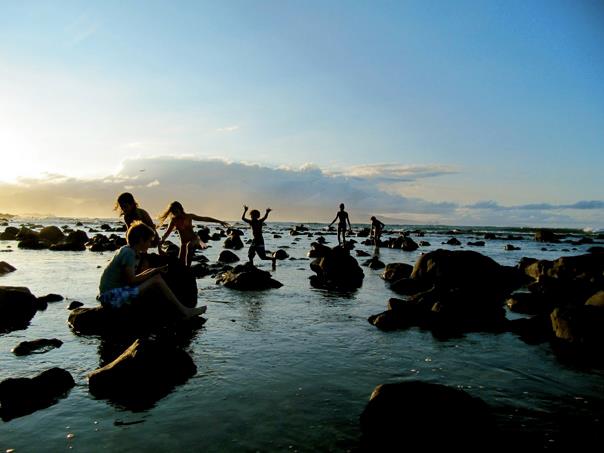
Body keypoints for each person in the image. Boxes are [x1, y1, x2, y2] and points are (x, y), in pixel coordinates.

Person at [97, 221, 206, 319]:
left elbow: (132, 279)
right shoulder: (129, 254)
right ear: (140, 240)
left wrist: (155, 270)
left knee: (155, 278)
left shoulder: (127, 250)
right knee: (156, 280)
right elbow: (132, 280)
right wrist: (153, 273)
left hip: (112, 294)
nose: (150, 245)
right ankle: (184, 311)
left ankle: (173, 309)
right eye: (149, 241)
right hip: (111, 297)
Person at [158, 201, 229, 267]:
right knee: (180, 264)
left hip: (194, 239)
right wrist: (162, 240)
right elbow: (167, 233)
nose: (175, 213)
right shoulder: (173, 220)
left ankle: (188, 268)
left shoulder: (189, 216)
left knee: (189, 246)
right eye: (173, 212)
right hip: (183, 243)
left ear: (180, 209)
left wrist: (220, 221)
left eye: (176, 211)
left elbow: (205, 219)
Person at [241, 205, 276, 269]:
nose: (251, 217)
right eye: (251, 215)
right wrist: (245, 211)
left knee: (263, 257)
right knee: (250, 254)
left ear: (257, 216)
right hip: (255, 240)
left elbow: (265, 217)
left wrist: (267, 212)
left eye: (252, 215)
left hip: (259, 240)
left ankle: (273, 259)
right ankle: (251, 265)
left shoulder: (259, 221)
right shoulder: (251, 222)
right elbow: (243, 218)